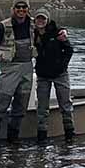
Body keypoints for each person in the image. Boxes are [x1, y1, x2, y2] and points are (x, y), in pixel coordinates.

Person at [0, 0, 37, 145]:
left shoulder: (35, 25)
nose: (21, 10)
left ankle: (13, 141)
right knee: (0, 107)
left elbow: (54, 30)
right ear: (13, 9)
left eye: (24, 7)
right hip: (9, 70)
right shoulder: (2, 27)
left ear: (28, 9)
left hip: (27, 68)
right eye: (18, 7)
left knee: (20, 110)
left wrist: (63, 32)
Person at [33, 10, 74, 142]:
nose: (41, 21)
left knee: (66, 105)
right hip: (42, 76)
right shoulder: (32, 34)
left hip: (60, 74)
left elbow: (69, 50)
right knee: (42, 108)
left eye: (43, 19)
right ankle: (42, 137)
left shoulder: (58, 33)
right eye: (38, 19)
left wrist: (63, 65)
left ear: (48, 20)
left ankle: (69, 135)